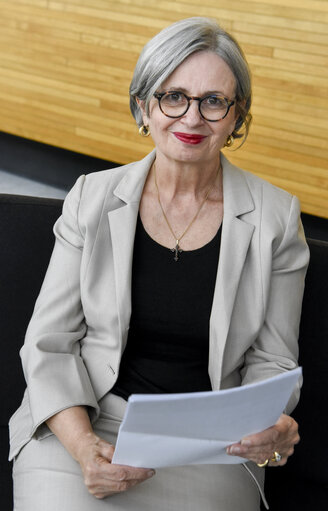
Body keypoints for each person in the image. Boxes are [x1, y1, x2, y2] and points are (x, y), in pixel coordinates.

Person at [9, 17, 309, 511]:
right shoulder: (91, 197)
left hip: (208, 442)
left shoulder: (277, 217)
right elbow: (49, 343)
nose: (192, 118)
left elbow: (273, 361)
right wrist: (86, 449)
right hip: (83, 420)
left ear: (237, 117)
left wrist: (266, 427)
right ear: (144, 106)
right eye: (174, 96)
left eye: (214, 101)